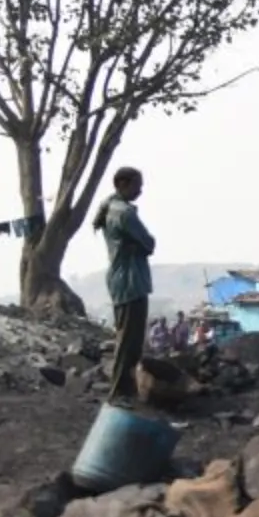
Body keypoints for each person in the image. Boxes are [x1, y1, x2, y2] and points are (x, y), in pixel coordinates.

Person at [94, 167, 155, 403]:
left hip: (122, 279)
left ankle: (125, 389)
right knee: (130, 341)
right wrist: (144, 245)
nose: (140, 190)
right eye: (137, 185)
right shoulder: (124, 213)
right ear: (123, 184)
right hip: (131, 280)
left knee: (126, 337)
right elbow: (149, 243)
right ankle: (121, 391)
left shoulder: (110, 207)